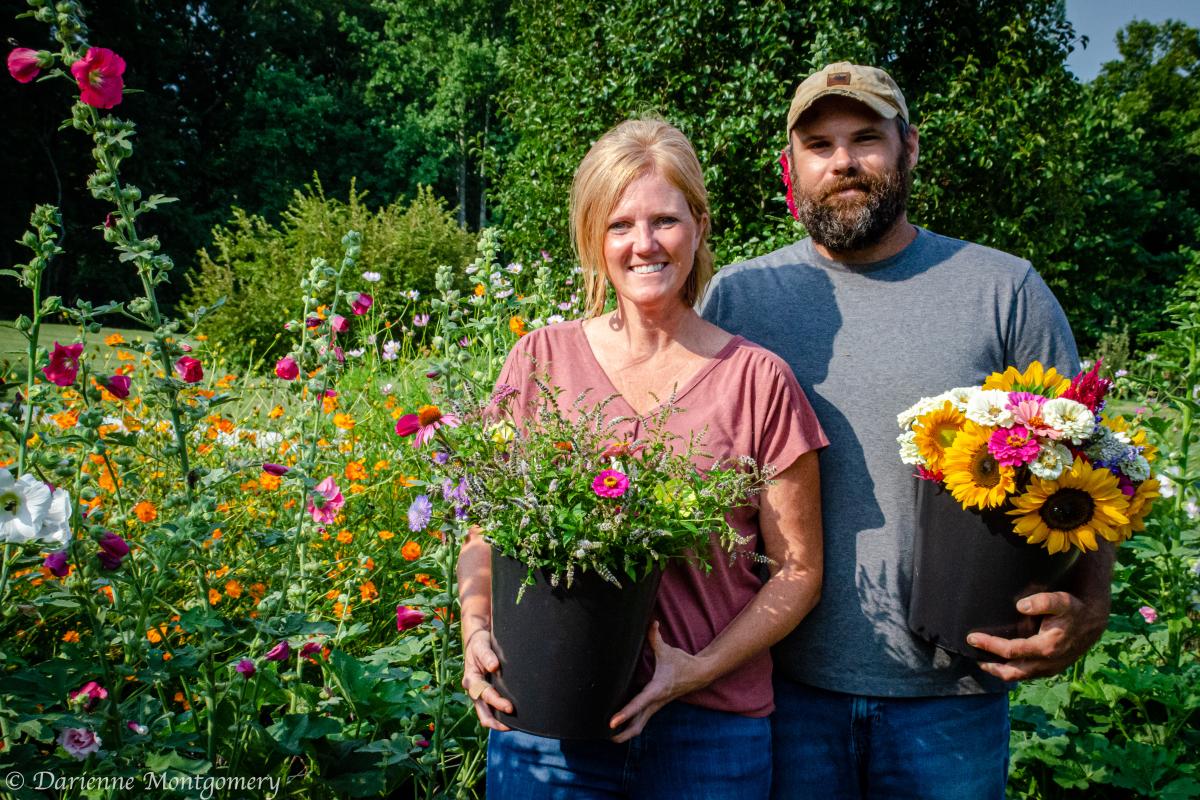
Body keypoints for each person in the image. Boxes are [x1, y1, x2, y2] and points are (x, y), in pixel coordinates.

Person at [699, 62, 1109, 799]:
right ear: (791, 165)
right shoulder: (742, 296)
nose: (844, 161)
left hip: (953, 694)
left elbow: (1095, 464)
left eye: (866, 138)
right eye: (819, 144)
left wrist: (1092, 604)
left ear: (910, 148)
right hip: (784, 688)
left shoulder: (1001, 290)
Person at [457, 118, 827, 799]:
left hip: (710, 733)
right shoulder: (540, 360)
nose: (644, 244)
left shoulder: (758, 380)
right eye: (620, 223)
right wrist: (476, 630)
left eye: (665, 220)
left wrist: (697, 668)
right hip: (550, 723)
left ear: (699, 224)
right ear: (594, 236)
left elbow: (798, 571)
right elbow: (485, 532)